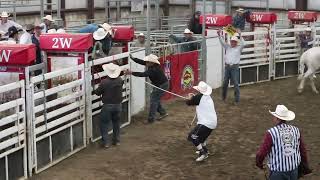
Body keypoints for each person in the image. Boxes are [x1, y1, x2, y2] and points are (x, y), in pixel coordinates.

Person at [256, 105, 312, 180]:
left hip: (278, 172)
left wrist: (259, 163)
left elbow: (261, 153)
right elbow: (302, 150)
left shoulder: (271, 133)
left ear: (277, 118)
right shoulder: (296, 130)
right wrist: (305, 164)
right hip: (293, 170)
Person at [126, 54, 169, 123]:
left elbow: (143, 74)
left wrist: (131, 73)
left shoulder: (153, 70)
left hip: (161, 85)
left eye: (147, 62)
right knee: (155, 99)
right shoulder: (153, 65)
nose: (146, 63)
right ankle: (162, 112)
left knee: (153, 100)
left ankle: (151, 119)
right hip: (162, 84)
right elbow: (142, 62)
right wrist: (134, 58)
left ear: (151, 62)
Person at [93, 63, 123, 148]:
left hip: (108, 106)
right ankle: (116, 141)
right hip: (118, 105)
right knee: (116, 123)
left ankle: (106, 142)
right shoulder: (120, 80)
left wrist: (95, 90)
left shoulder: (104, 82)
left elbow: (98, 93)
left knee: (104, 123)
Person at [186, 81, 217, 162]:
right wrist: (193, 97)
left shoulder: (198, 97)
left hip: (205, 123)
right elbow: (196, 99)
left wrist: (190, 97)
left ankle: (202, 153)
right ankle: (205, 150)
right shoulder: (208, 97)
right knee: (201, 139)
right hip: (212, 123)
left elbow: (188, 102)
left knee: (192, 136)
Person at [217, 29, 244, 104]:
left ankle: (237, 100)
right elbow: (222, 42)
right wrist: (219, 35)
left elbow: (243, 44)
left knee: (235, 83)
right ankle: (223, 97)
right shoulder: (228, 47)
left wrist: (240, 35)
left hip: (234, 67)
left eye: (234, 42)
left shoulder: (238, 48)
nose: (233, 43)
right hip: (228, 67)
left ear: (236, 42)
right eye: (232, 41)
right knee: (225, 82)